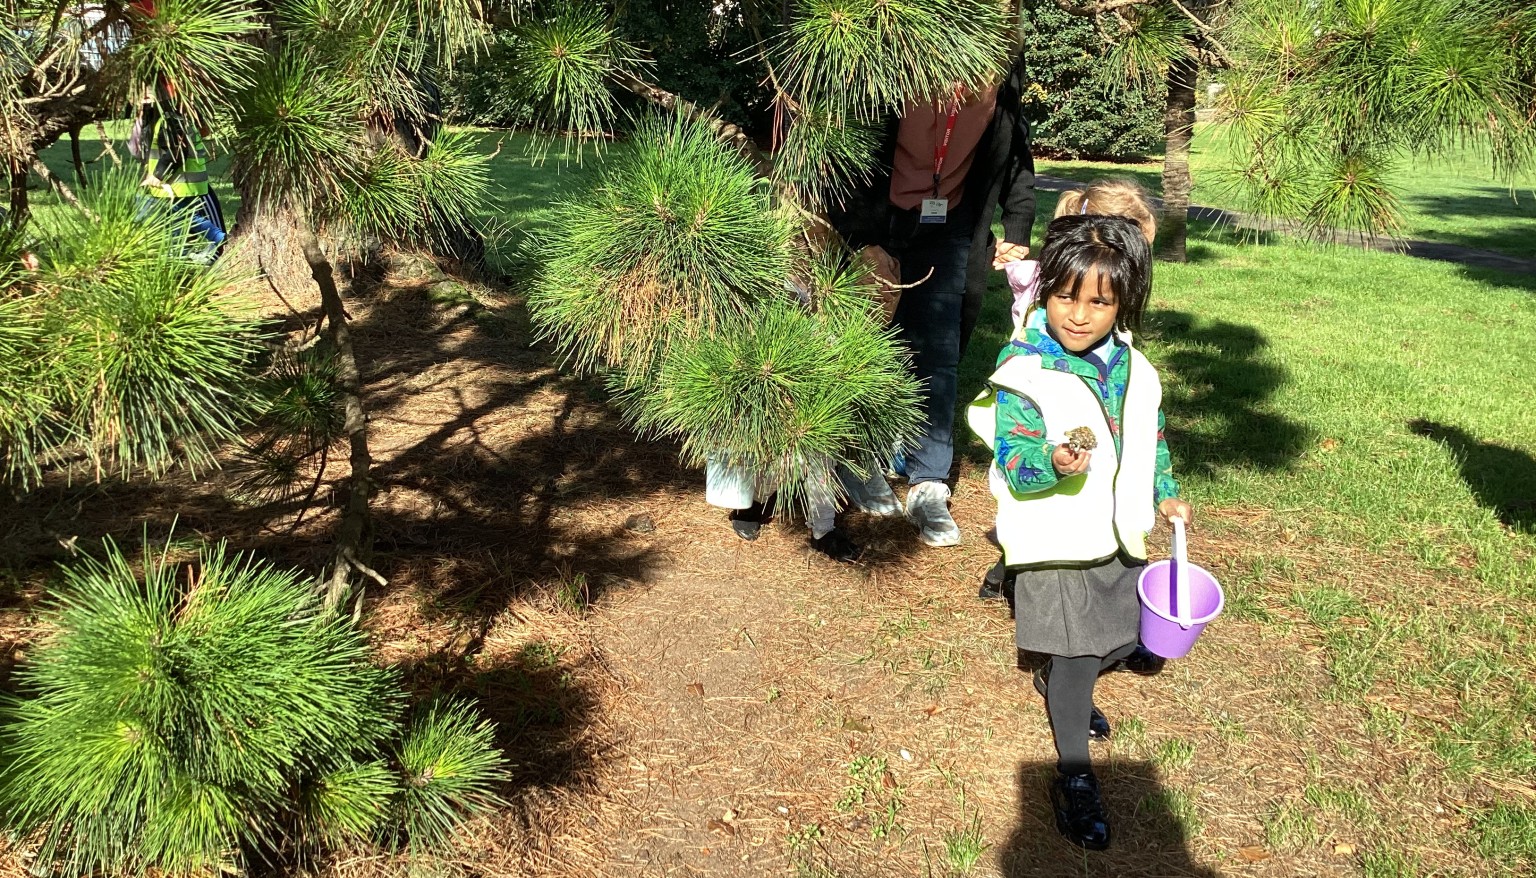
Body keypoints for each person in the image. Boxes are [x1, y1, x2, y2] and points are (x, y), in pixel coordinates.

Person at [966, 214, 1192, 850]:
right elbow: (1012, 454)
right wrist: (1051, 463)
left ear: (1123, 303)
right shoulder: (1025, 370)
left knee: (1126, 638)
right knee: (1077, 653)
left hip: (1115, 534)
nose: (1078, 314)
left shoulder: (1132, 367)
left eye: (1100, 301)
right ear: (1045, 291)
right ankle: (1074, 775)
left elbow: (1150, 432)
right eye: (1065, 294)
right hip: (1055, 540)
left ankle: (1061, 679)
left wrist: (1166, 492)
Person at [828, 50, 1036, 548]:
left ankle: (927, 479)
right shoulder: (893, 46)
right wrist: (859, 239)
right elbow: (841, 149)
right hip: (877, 215)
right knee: (862, 340)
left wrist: (1019, 222)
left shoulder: (1003, 65)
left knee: (938, 352)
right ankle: (858, 455)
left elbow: (1014, 151)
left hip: (951, 224)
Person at [981, 177, 1159, 600]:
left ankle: (1007, 568)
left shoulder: (1100, 293)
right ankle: (1014, 567)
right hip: (1052, 387)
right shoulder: (1058, 306)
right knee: (1043, 509)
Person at [133, 88, 227, 262]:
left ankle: (219, 239)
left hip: (181, 183)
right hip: (176, 184)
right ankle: (178, 256)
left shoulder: (172, 119)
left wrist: (158, 175)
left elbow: (175, 151)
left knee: (187, 217)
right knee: (178, 221)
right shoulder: (162, 118)